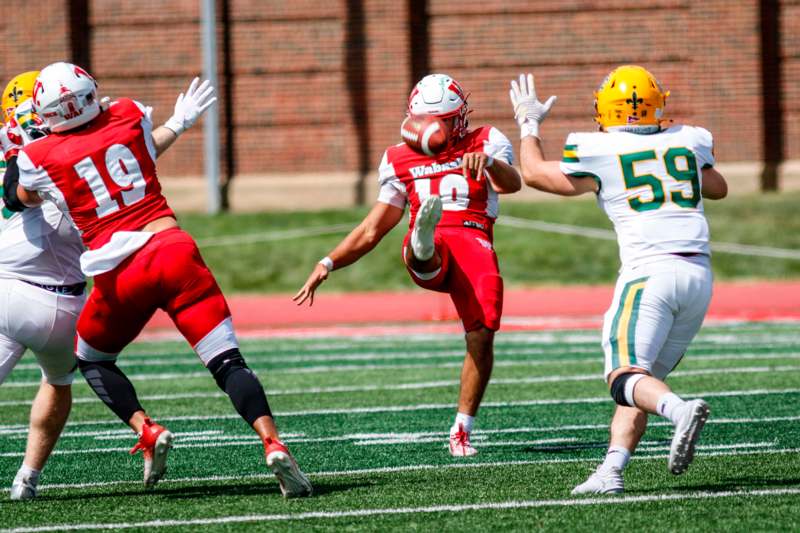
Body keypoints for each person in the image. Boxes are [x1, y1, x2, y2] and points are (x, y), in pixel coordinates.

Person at [14, 62, 312, 497]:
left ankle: (146, 428)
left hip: (119, 273)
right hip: (172, 250)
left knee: (92, 357)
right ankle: (272, 442)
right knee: (228, 362)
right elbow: (139, 154)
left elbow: (22, 196)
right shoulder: (130, 113)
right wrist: (180, 122)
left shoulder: (38, 156)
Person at [508, 65, 728, 493]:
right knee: (641, 381)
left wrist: (528, 122)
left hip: (649, 275)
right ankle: (611, 469)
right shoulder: (689, 139)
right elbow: (717, 187)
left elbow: (533, 173)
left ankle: (679, 411)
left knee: (624, 377)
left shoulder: (597, 148)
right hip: (698, 277)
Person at [294, 73, 521, 456]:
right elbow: (372, 228)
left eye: (446, 120)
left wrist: (490, 164)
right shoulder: (399, 156)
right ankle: (422, 241)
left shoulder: (487, 140)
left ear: (459, 118)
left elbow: (512, 183)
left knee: (482, 333)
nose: (438, 128)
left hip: (473, 234)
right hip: (437, 244)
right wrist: (328, 261)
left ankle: (461, 430)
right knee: (426, 250)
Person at [0, 71, 86, 500]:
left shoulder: (24, 146)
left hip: (8, 288)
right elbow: (19, 194)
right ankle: (27, 479)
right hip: (64, 297)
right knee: (58, 381)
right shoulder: (61, 147)